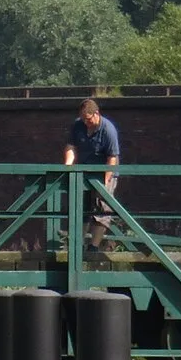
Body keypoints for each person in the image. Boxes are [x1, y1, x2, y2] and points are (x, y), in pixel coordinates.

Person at [62, 97, 120, 249]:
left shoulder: (108, 130)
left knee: (103, 208)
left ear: (96, 114)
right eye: (83, 119)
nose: (86, 122)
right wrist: (68, 166)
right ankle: (78, 244)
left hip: (105, 171)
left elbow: (112, 158)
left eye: (88, 119)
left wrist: (106, 184)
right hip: (85, 171)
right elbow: (71, 147)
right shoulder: (78, 125)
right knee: (82, 207)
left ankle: (93, 246)